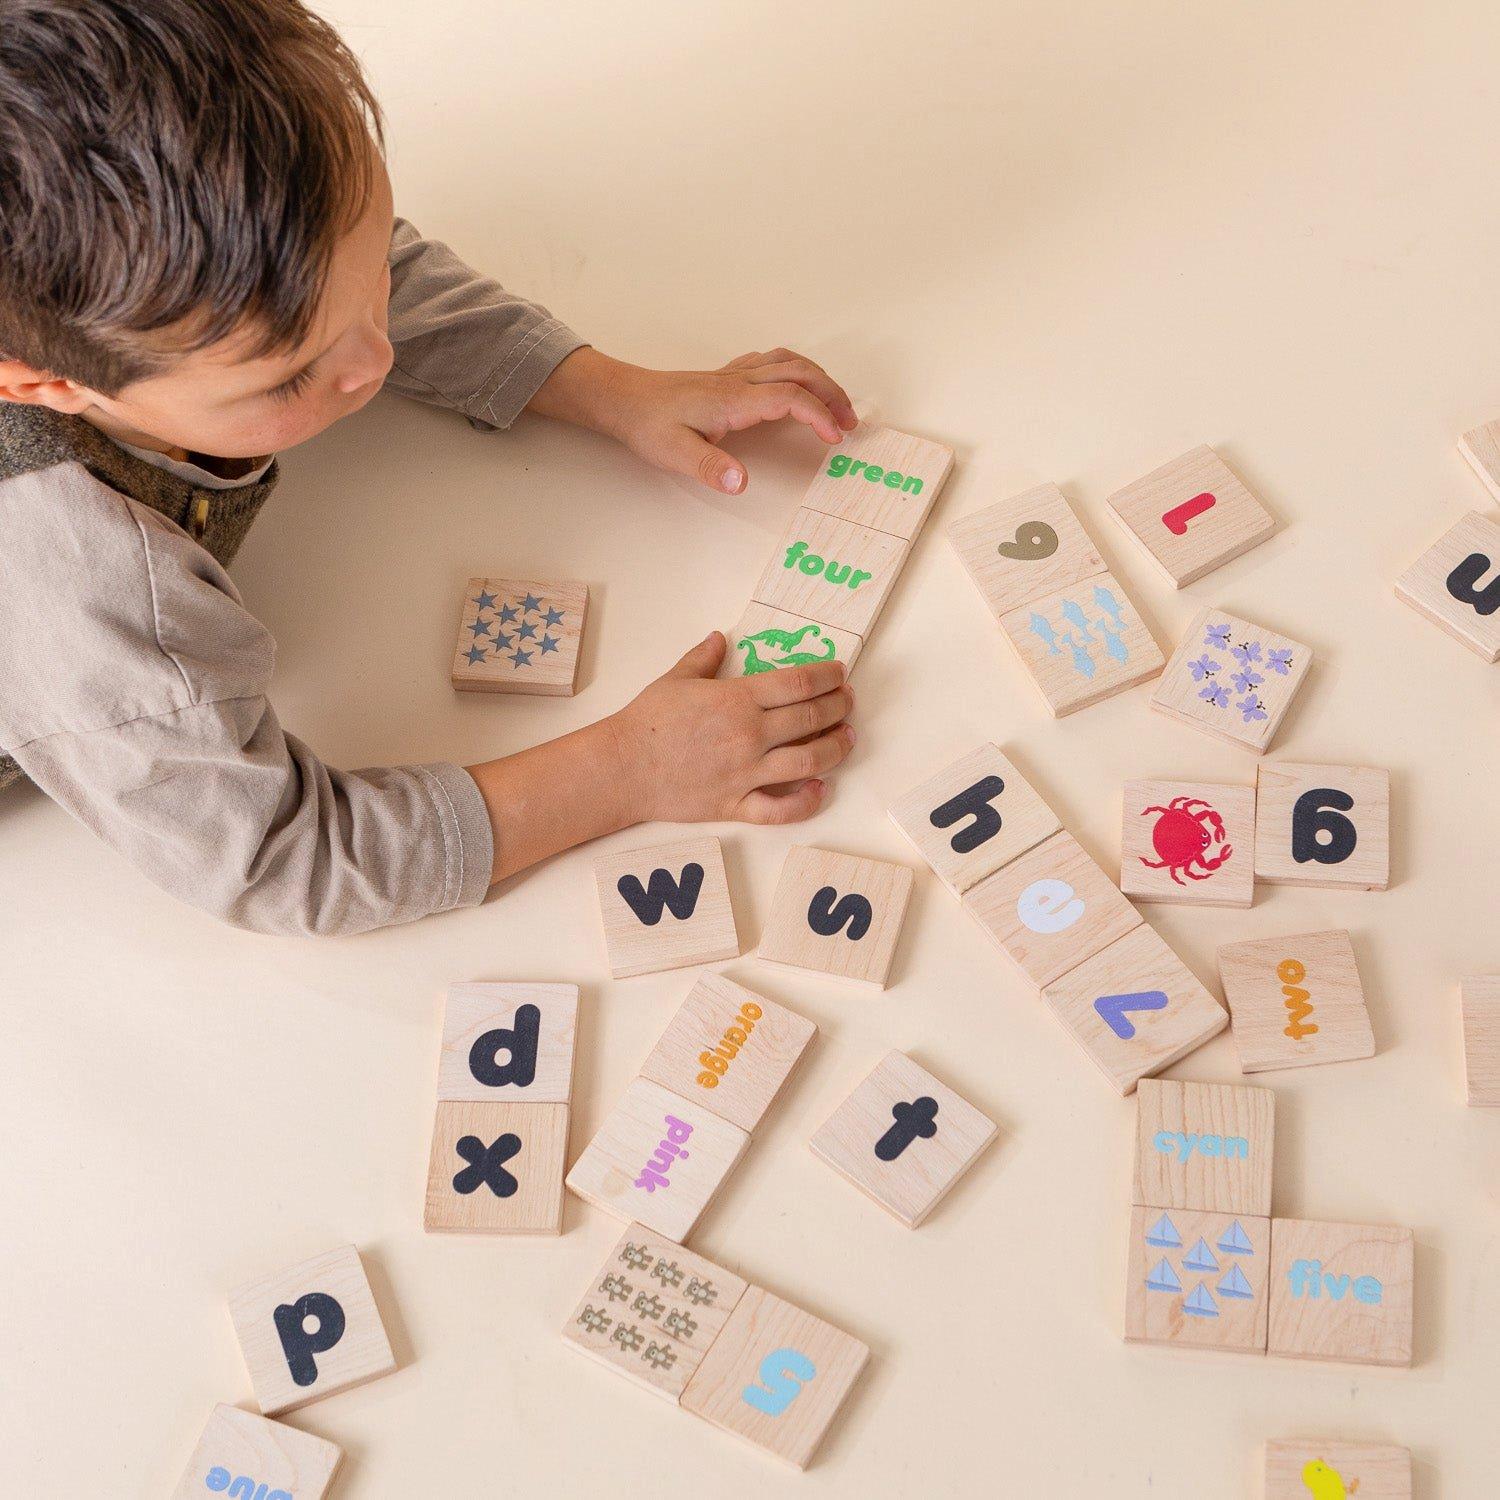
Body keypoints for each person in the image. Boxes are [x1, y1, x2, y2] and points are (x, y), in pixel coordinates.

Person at [0, 0, 858, 935]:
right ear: (44, 384)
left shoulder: (197, 278)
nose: (372, 361)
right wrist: (631, 768)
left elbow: (364, 265)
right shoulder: (85, 588)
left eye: (366, 281)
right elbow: (287, 863)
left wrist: (607, 388)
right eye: (292, 373)